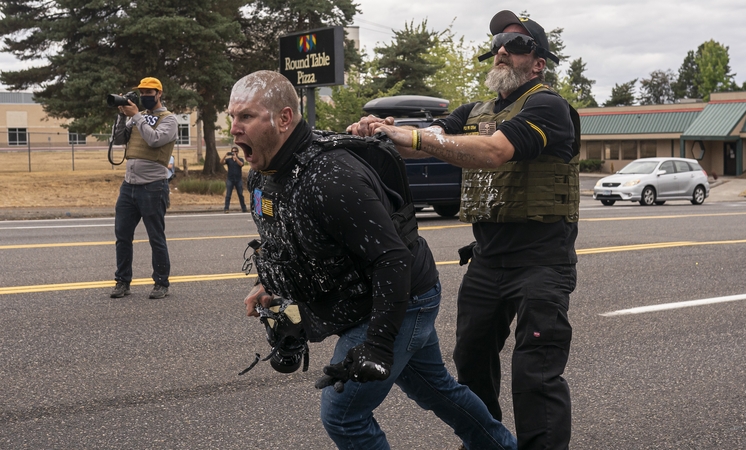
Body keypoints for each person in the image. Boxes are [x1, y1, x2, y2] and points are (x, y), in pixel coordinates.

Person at [231, 70, 516, 450]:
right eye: (232, 117)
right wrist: (268, 283)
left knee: (343, 414)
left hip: (402, 297)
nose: (234, 128)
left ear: (284, 118)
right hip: (365, 297)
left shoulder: (331, 176)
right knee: (437, 390)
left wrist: (378, 345)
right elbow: (287, 239)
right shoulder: (264, 175)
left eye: (246, 116)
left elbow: (392, 260)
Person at [349, 10, 579, 450]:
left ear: (538, 63)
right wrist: (383, 132)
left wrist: (414, 138)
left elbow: (494, 151)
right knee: (471, 361)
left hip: (541, 262)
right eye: (497, 44)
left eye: (517, 44)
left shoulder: (547, 105)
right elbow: (427, 141)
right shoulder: (474, 111)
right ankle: (486, 444)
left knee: (535, 372)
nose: (502, 50)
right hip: (488, 259)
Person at [110, 76, 177, 300]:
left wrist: (137, 116)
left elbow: (154, 140)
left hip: (153, 186)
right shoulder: (136, 118)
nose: (145, 96)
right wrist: (122, 116)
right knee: (122, 236)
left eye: (149, 92)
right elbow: (119, 139)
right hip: (128, 186)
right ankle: (122, 281)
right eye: (142, 92)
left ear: (159, 94)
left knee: (155, 237)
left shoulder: (169, 120)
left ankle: (161, 283)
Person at [220, 146, 247, 213]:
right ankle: (226, 208)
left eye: (235, 151)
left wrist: (236, 158)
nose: (234, 152)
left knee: (240, 194)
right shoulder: (229, 160)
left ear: (237, 152)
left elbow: (241, 164)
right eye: (232, 151)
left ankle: (244, 208)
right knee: (228, 195)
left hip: (238, 179)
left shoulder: (240, 159)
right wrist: (225, 155)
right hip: (230, 179)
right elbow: (221, 162)